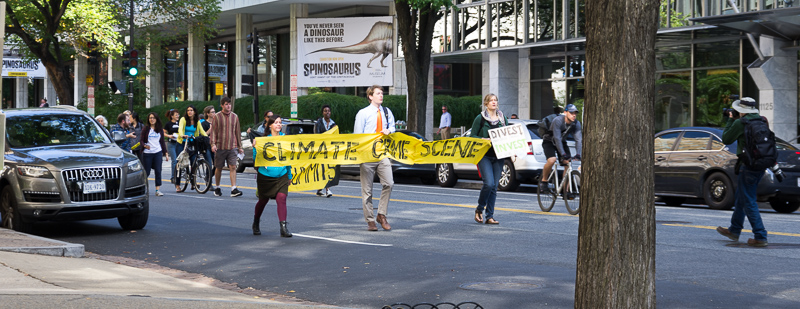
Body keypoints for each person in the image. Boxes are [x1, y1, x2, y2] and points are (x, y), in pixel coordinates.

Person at [717, 97, 769, 247]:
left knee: (749, 200)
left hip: (748, 165)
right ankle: (734, 230)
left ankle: (760, 235)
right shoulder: (762, 120)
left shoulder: (741, 122)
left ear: (741, 110)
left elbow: (726, 139)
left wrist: (730, 120)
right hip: (761, 164)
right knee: (741, 196)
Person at [353, 85, 395, 231]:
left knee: (389, 183)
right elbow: (357, 135)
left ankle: (381, 214)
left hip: (382, 153)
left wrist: (389, 130)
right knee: (367, 190)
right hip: (367, 154)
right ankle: (370, 220)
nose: (381, 95)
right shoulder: (363, 113)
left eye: (382, 93)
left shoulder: (387, 112)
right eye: (378, 93)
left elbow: (393, 128)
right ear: (370, 96)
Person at [469, 93, 508, 225]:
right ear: (486, 103)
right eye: (491, 100)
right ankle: (480, 209)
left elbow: (509, 136)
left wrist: (513, 151)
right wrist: (483, 139)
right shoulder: (480, 118)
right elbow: (472, 136)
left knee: (494, 187)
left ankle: (489, 216)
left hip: (498, 156)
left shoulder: (503, 118)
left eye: (495, 100)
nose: (494, 102)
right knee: (489, 183)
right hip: (484, 155)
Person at [252, 114, 293, 237]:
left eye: (280, 122)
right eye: (276, 122)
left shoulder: (285, 139)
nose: (279, 124)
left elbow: (288, 158)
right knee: (263, 200)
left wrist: (289, 175)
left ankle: (283, 228)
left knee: (281, 198)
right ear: (270, 125)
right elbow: (256, 159)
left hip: (282, 174)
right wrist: (255, 147)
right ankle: (256, 222)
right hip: (266, 176)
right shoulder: (263, 140)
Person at [539, 103, 583, 200]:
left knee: (567, 164)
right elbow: (557, 138)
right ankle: (544, 180)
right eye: (571, 113)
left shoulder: (576, 123)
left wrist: (578, 154)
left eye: (575, 113)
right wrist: (563, 154)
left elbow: (578, 140)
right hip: (549, 140)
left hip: (561, 142)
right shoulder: (558, 121)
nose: (574, 115)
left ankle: (565, 190)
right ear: (565, 113)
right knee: (552, 160)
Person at [210, 97, 244, 197]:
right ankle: (217, 187)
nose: (228, 106)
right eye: (226, 104)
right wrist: (213, 144)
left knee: (233, 166)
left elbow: (237, 132)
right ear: (222, 105)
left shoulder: (235, 117)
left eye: (229, 104)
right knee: (219, 167)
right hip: (220, 146)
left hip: (232, 147)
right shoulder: (217, 116)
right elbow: (213, 132)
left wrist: (240, 146)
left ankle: (233, 188)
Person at [177, 105, 208, 191]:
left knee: (194, 162)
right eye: (188, 110)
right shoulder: (183, 119)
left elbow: (202, 131)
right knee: (180, 163)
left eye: (191, 110)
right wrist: (182, 135)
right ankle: (178, 184)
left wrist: (207, 138)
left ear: (194, 112)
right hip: (182, 143)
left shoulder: (197, 121)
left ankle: (193, 182)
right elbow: (180, 129)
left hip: (192, 143)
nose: (189, 112)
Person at [140, 112, 168, 197]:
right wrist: (145, 145)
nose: (152, 119)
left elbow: (162, 142)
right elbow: (141, 140)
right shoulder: (146, 129)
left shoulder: (159, 129)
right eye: (150, 118)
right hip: (148, 153)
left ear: (156, 119)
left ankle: (157, 190)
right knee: (147, 172)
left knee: (158, 171)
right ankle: (143, 188)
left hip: (157, 152)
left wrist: (165, 153)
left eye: (153, 118)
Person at [314, 105, 336, 198]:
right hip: (320, 150)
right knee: (321, 169)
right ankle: (325, 189)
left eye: (328, 111)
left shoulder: (333, 124)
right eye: (325, 111)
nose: (327, 112)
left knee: (327, 169)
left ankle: (325, 189)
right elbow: (316, 135)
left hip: (329, 151)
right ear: (322, 113)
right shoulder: (318, 123)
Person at [163, 109, 181, 186]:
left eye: (178, 115)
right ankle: (173, 177)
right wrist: (168, 135)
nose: (177, 116)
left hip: (179, 143)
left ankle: (178, 175)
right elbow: (163, 132)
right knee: (174, 160)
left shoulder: (180, 123)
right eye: (176, 115)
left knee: (179, 160)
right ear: (172, 116)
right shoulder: (168, 124)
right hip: (171, 143)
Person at [200, 105, 216, 173]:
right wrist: (210, 129)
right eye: (212, 112)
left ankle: (209, 177)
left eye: (214, 112)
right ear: (208, 114)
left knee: (217, 164)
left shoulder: (216, 123)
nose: (214, 113)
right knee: (208, 163)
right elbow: (202, 135)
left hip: (215, 145)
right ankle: (208, 181)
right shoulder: (203, 124)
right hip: (206, 146)